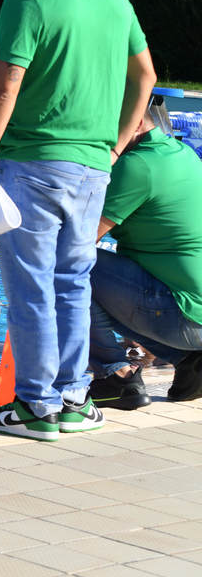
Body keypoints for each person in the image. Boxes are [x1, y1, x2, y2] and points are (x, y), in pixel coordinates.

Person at [0, 0, 156, 441]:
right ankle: (74, 399)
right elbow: (145, 77)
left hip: (33, 166)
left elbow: (4, 87)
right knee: (73, 283)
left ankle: (35, 406)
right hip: (94, 168)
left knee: (30, 287)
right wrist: (115, 146)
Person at [87, 92, 202, 410]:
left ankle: (116, 376)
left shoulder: (138, 166)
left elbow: (79, 240)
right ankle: (190, 360)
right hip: (195, 313)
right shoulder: (182, 153)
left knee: (64, 263)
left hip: (182, 314)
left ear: (135, 124)